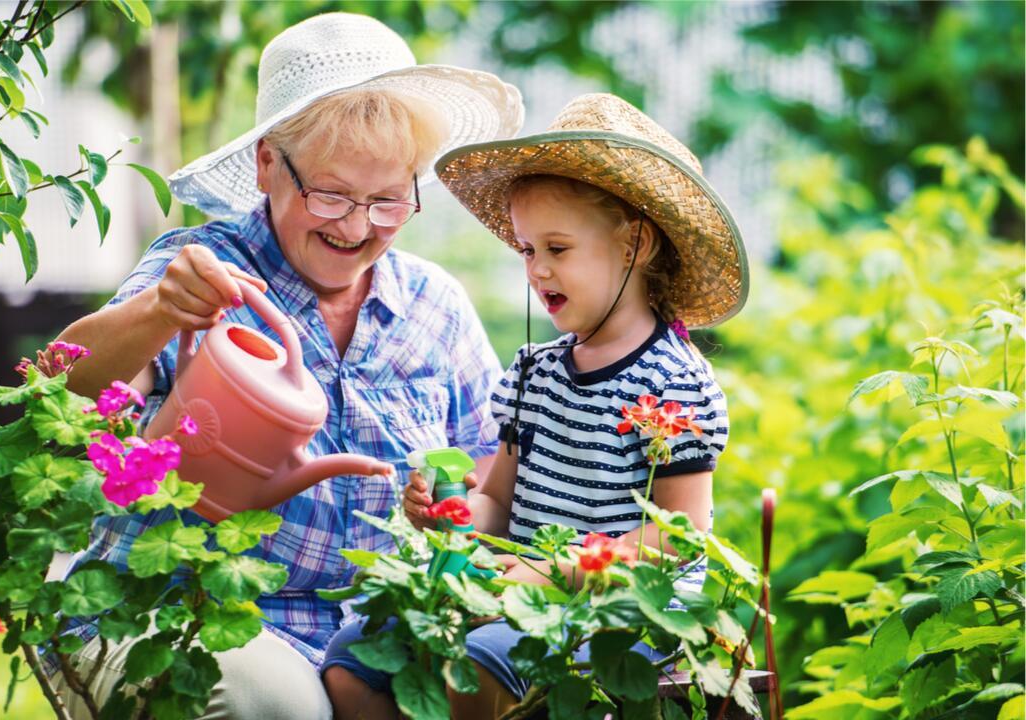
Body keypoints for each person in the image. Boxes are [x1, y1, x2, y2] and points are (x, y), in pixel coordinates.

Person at [50, 12, 523, 720]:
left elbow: (491, 483)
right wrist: (158, 313)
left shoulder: (435, 308)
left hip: (368, 636)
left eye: (389, 199)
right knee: (274, 706)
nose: (358, 227)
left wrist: (453, 514)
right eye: (330, 194)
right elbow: (63, 398)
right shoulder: (201, 272)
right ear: (269, 162)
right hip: (188, 608)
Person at [321, 93, 750, 718]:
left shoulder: (673, 385)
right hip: (518, 598)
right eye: (526, 250)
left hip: (622, 613)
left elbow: (677, 539)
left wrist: (562, 573)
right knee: (354, 655)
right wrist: (451, 513)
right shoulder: (534, 374)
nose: (537, 271)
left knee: (471, 669)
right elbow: (499, 501)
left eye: (557, 248)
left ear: (636, 243)